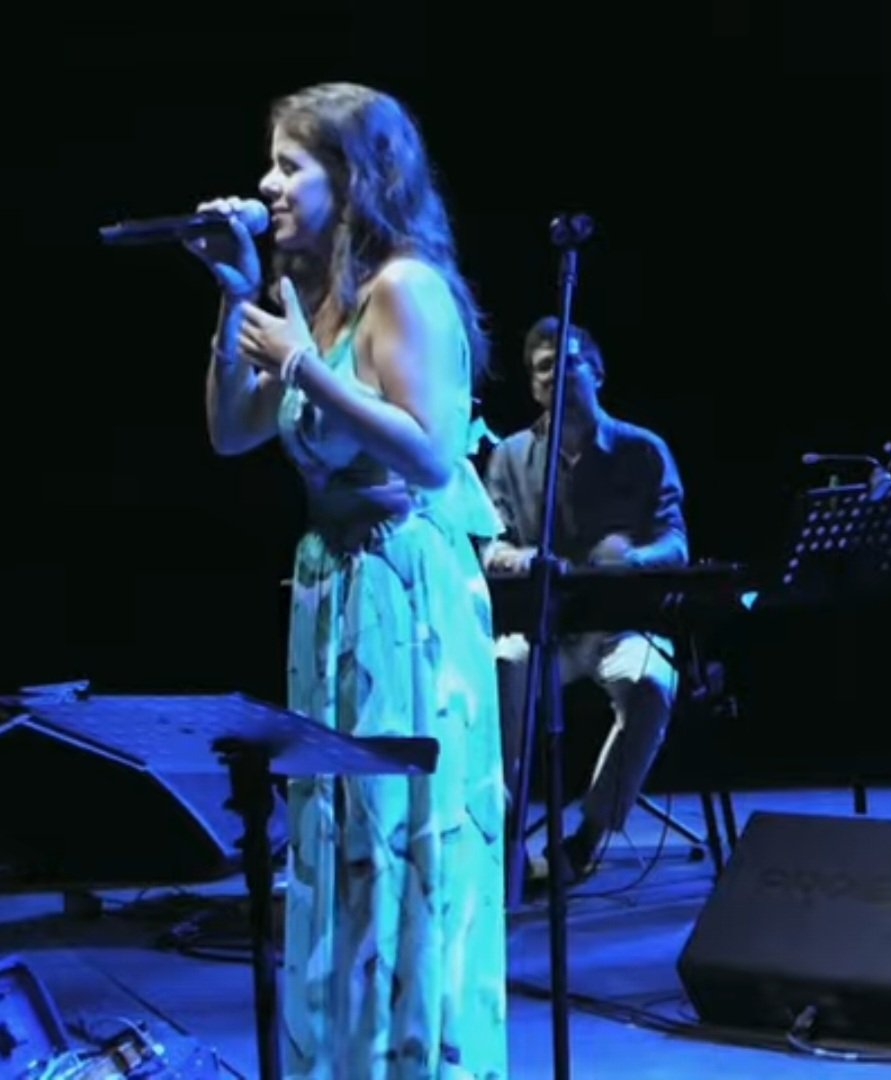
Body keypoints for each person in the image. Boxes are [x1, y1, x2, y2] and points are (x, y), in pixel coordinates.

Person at [184, 82, 508, 1078]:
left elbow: (432, 456)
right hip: (334, 590)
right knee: (340, 839)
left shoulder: (404, 289)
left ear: (356, 178)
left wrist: (305, 369)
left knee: (402, 842)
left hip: (406, 595)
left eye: (290, 165)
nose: (266, 184)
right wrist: (235, 296)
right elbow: (231, 432)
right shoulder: (314, 299)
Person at [481, 316, 689, 891]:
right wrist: (514, 558)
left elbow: (676, 542)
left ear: (596, 372)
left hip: (622, 626)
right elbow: (489, 543)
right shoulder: (510, 456)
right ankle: (505, 842)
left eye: (568, 362)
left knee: (652, 685)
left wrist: (634, 557)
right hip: (542, 627)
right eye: (543, 369)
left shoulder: (643, 449)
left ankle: (588, 836)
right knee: (501, 670)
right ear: (533, 386)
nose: (555, 376)